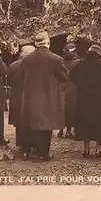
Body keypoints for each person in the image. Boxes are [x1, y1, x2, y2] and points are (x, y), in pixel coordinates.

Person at [19, 31, 69, 161]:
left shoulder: (26, 59)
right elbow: (65, 77)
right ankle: (43, 154)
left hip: (30, 96)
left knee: (32, 123)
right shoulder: (56, 59)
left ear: (35, 43)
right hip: (48, 96)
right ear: (48, 42)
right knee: (46, 125)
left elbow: (21, 76)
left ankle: (29, 151)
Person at [70, 44, 101, 158]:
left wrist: (80, 84)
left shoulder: (80, 63)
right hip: (100, 98)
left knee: (84, 122)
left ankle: (86, 149)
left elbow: (71, 76)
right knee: (100, 123)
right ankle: (98, 150)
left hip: (83, 97)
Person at [7, 45, 36, 152]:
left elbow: (9, 82)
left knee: (19, 122)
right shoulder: (35, 66)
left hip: (17, 97)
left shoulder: (13, 66)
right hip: (31, 97)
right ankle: (32, 144)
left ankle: (21, 144)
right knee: (31, 121)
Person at [57, 43, 80, 138]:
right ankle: (69, 130)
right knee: (72, 108)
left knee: (62, 108)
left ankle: (61, 130)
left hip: (62, 87)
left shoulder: (60, 61)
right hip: (73, 87)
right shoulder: (78, 62)